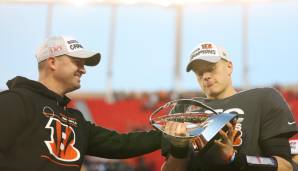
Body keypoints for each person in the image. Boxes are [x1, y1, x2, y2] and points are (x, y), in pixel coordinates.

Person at [0, 36, 161, 170]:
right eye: (77, 62)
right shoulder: (15, 101)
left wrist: (169, 136)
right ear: (52, 62)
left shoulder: (76, 120)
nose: (83, 70)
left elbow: (121, 144)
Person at [161, 42, 298, 171]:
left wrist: (234, 158)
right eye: (199, 73)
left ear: (229, 67)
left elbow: (285, 166)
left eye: (211, 68)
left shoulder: (263, 99)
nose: (206, 76)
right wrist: (180, 147)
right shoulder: (184, 109)